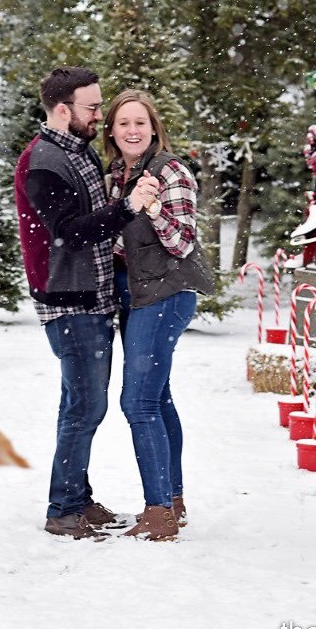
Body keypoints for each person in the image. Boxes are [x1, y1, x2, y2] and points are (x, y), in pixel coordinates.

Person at [14, 67, 160, 540]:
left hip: (91, 297)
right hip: (69, 300)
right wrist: (129, 207)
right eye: (92, 107)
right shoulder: (43, 162)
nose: (101, 114)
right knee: (86, 408)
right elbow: (70, 233)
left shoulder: (75, 153)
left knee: (76, 405)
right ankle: (63, 512)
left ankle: (75, 498)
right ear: (63, 110)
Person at [103, 89, 214, 541]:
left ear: (153, 129)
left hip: (168, 291)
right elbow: (117, 240)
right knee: (158, 397)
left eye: (140, 123)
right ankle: (173, 500)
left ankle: (158, 513)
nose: (132, 130)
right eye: (123, 123)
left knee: (138, 402)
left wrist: (151, 205)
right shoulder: (115, 174)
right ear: (112, 130)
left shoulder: (171, 171)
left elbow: (182, 242)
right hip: (135, 291)